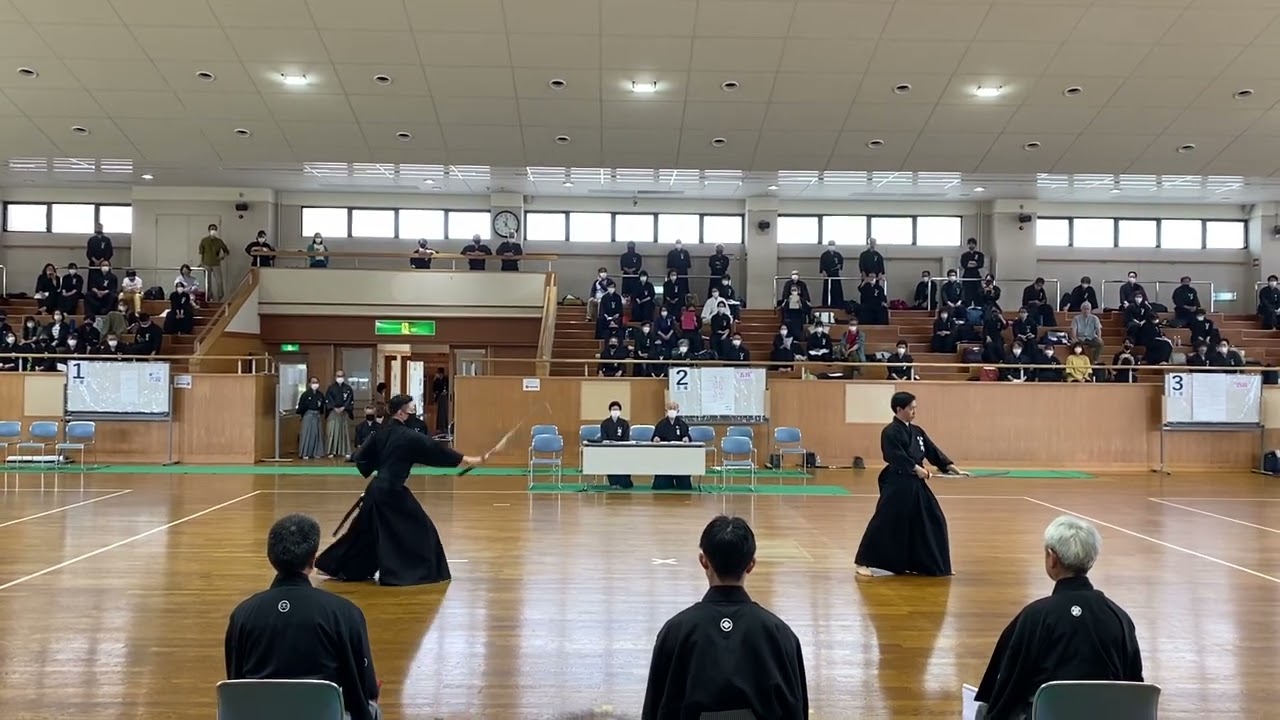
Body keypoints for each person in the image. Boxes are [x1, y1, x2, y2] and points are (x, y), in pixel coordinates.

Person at [974, 516, 1143, 720]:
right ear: (1092, 559)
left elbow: (1006, 687)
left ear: (1052, 558)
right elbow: (1135, 690)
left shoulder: (1034, 617)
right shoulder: (1119, 617)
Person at [642, 515, 808, 720]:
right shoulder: (780, 633)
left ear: (703, 561)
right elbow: (796, 709)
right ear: (751, 565)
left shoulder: (675, 631)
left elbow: (654, 708)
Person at [316, 394, 488, 586]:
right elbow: (434, 450)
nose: (413, 413)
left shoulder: (381, 433)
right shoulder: (408, 437)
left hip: (376, 489)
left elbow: (361, 457)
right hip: (392, 493)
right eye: (411, 409)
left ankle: (338, 566)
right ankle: (409, 573)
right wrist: (469, 459)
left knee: (364, 533)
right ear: (401, 413)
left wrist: (378, 466)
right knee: (421, 529)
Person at [225, 513, 382, 720]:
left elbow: (237, 684)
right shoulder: (344, 612)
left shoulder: (243, 615)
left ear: (271, 557)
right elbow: (365, 689)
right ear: (313, 558)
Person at [855, 391, 966, 577]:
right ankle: (863, 562)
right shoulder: (890, 432)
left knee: (932, 519)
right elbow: (894, 455)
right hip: (897, 482)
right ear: (899, 409)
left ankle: (933, 565)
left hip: (916, 483)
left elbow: (932, 451)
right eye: (911, 408)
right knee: (886, 520)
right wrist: (916, 468)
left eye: (915, 408)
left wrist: (952, 468)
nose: (914, 411)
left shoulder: (917, 431)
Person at [651, 401, 692, 490]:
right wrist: (656, 438)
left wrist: (686, 438)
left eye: (674, 408)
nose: (672, 410)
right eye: (670, 408)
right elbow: (655, 436)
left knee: (684, 486)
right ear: (666, 410)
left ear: (678, 411)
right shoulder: (661, 424)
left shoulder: (682, 424)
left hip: (680, 456)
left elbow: (687, 436)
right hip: (665, 456)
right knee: (661, 485)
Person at [599, 400, 633, 489]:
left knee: (623, 464)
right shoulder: (605, 423)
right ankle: (613, 483)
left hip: (622, 449)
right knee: (611, 463)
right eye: (613, 409)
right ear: (610, 410)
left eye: (617, 409)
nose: (615, 411)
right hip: (609, 449)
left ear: (620, 411)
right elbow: (603, 437)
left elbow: (626, 437)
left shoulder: (624, 423)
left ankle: (623, 483)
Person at [325, 370, 355, 458]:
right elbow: (328, 399)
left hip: (344, 411)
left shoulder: (348, 388)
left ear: (344, 377)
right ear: (335, 377)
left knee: (345, 432)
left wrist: (344, 407)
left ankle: (346, 450)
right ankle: (331, 451)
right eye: (338, 376)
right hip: (333, 412)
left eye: (341, 376)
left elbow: (350, 399)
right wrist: (334, 407)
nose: (340, 377)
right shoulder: (331, 388)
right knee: (332, 432)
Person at [297, 377, 326, 459]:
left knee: (317, 434)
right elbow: (301, 406)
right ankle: (305, 453)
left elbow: (322, 406)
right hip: (308, 415)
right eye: (313, 382)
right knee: (307, 434)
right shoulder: (305, 394)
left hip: (317, 415)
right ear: (309, 384)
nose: (315, 384)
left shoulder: (320, 395)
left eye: (316, 382)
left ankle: (317, 452)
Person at [199, 223, 230, 300]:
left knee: (219, 282)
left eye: (215, 229)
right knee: (208, 283)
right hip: (206, 263)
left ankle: (220, 297)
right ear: (209, 230)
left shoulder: (219, 241)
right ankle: (210, 297)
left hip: (216, 264)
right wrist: (201, 263)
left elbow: (226, 251)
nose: (213, 230)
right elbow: (201, 253)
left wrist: (222, 257)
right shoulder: (204, 240)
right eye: (212, 229)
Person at [819, 239, 845, 308]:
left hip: (835, 275)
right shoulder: (824, 255)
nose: (831, 246)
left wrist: (839, 266)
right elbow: (822, 266)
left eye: (832, 244)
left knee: (837, 291)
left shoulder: (838, 255)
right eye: (830, 244)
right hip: (828, 275)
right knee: (827, 291)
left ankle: (838, 305)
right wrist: (823, 272)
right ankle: (826, 305)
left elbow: (841, 262)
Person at [960, 237, 984, 305]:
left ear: (975, 245)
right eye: (970, 244)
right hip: (967, 277)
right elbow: (964, 264)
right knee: (967, 297)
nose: (971, 245)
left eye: (973, 244)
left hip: (976, 277)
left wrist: (971, 264)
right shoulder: (964, 255)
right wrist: (974, 264)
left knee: (977, 296)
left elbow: (980, 264)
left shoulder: (980, 255)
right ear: (967, 245)